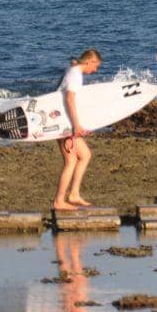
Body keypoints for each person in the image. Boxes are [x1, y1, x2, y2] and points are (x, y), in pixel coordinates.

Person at [53, 49, 101, 211]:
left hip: (66, 122)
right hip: (64, 124)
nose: (95, 70)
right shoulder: (75, 75)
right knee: (71, 161)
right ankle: (59, 201)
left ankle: (74, 194)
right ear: (90, 61)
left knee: (85, 155)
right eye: (96, 66)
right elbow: (69, 99)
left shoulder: (74, 71)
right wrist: (76, 126)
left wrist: (80, 124)